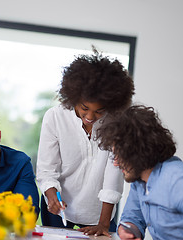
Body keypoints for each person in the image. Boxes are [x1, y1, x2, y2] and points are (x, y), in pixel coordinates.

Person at [97, 105, 183, 239]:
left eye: (119, 156)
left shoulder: (180, 179)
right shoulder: (140, 179)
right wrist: (128, 230)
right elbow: (132, 219)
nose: (115, 163)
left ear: (138, 150)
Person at [36, 50, 135, 237]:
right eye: (84, 108)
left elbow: (113, 176)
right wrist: (51, 197)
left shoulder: (117, 123)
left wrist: (104, 224)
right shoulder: (54, 117)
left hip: (99, 211)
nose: (90, 117)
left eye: (100, 111)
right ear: (73, 97)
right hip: (58, 206)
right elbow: (47, 169)